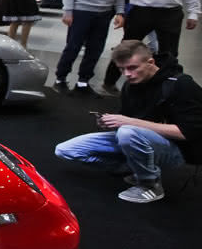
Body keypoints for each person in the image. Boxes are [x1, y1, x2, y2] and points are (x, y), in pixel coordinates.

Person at [55, 41, 202, 203]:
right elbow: (130, 121)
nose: (127, 74)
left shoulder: (181, 84)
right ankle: (139, 167)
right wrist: (111, 122)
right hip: (142, 138)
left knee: (128, 131)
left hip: (179, 151)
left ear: (150, 62)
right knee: (65, 150)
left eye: (132, 67)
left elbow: (187, 133)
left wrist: (128, 122)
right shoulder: (131, 85)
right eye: (121, 69)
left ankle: (150, 184)